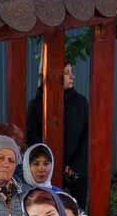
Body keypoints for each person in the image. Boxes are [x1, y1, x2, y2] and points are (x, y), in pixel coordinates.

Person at [24, 60, 90, 193]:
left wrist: (74, 166)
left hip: (76, 171)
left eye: (71, 72)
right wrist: (53, 164)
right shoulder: (36, 105)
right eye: (66, 73)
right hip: (46, 170)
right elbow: (33, 139)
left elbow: (87, 135)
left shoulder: (81, 102)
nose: (72, 77)